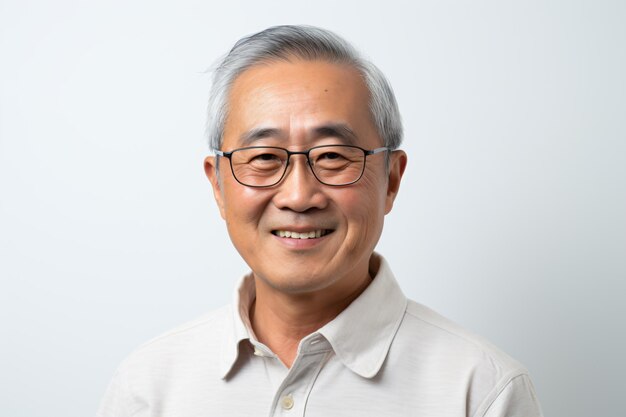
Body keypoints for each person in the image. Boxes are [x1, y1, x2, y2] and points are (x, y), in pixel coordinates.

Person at [97, 25, 543, 417]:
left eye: (332, 156)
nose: (298, 196)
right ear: (218, 186)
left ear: (391, 179)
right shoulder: (148, 387)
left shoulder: (481, 392)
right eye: (264, 158)